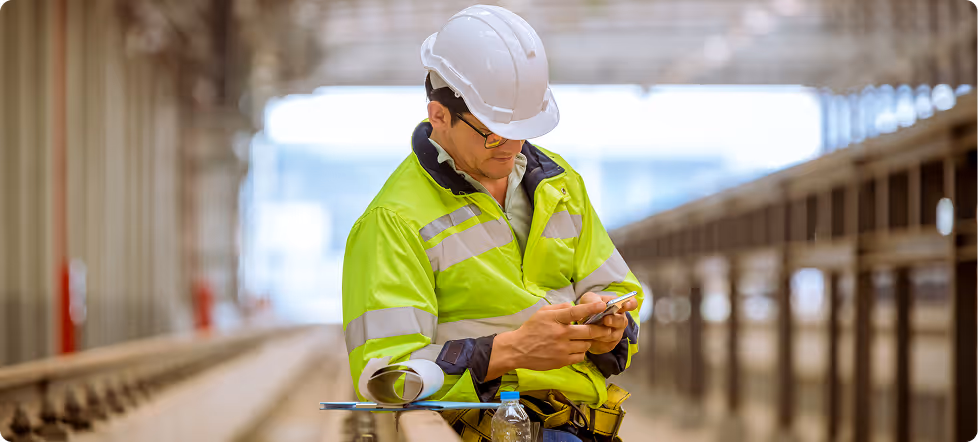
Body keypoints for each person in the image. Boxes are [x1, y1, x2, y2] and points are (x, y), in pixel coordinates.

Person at [342, 5, 643, 441]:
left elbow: (623, 292)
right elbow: (387, 378)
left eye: (523, 129)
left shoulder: (560, 185)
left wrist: (611, 328)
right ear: (438, 115)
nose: (511, 147)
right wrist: (509, 351)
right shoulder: (393, 222)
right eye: (492, 133)